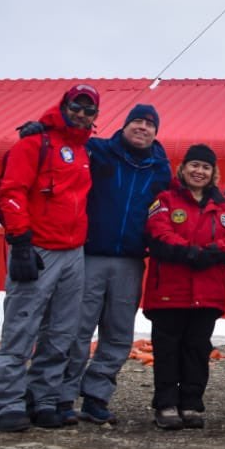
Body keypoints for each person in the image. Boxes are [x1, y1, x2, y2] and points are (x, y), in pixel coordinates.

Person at [0, 84, 98, 432]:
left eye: (89, 110)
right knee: (22, 326)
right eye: (75, 107)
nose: (81, 114)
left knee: (61, 331)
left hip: (73, 252)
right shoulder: (34, 143)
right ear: (63, 106)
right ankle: (7, 402)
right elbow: (11, 190)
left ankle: (44, 399)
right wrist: (20, 240)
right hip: (37, 248)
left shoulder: (85, 151)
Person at [61, 103, 171, 425]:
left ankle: (96, 396)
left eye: (150, 124)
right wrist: (42, 129)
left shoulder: (161, 168)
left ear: (156, 132)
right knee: (77, 330)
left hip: (131, 261)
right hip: (91, 255)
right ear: (124, 125)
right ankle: (63, 396)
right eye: (137, 121)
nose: (143, 127)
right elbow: (67, 141)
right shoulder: (98, 151)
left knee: (119, 334)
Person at [143, 144, 225, 429]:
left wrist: (212, 251)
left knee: (197, 350)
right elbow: (159, 233)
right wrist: (192, 253)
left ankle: (191, 404)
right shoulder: (164, 200)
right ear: (183, 168)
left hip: (208, 293)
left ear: (213, 172)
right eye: (194, 165)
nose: (199, 171)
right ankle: (165, 405)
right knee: (167, 351)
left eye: (205, 167)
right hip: (169, 293)